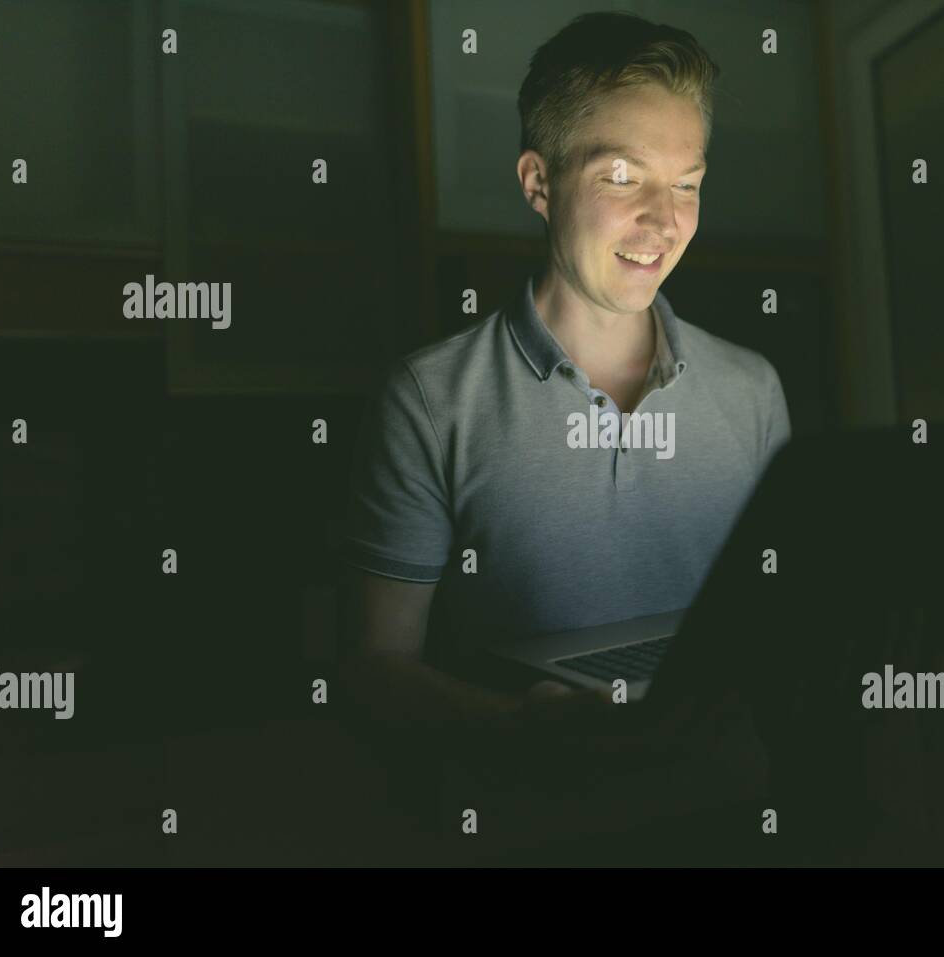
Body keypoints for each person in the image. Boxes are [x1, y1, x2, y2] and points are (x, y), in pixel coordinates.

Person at [338, 12, 790, 757]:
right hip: (525, 816)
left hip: (723, 800)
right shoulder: (429, 398)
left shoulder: (753, 390)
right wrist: (516, 726)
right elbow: (373, 667)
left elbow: (777, 623)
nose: (665, 219)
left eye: (687, 183)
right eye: (621, 175)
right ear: (538, 182)